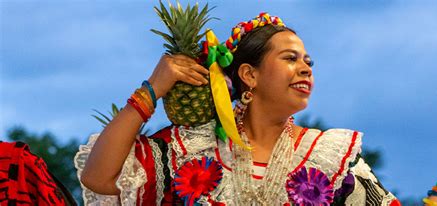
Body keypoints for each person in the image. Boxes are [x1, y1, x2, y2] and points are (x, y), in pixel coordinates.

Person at [74, 13, 401, 205]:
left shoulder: (330, 156)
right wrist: (152, 89)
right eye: (290, 58)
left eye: (307, 61)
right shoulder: (189, 149)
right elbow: (100, 177)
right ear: (249, 75)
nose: (306, 68)